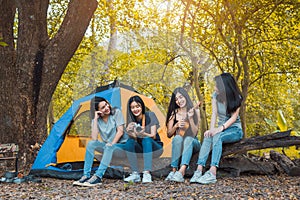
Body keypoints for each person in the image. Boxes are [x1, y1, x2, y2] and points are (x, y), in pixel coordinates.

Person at [190, 72, 244, 184]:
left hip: (234, 130)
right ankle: (199, 170)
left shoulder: (237, 97)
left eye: (217, 86)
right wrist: (211, 130)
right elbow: (214, 114)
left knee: (217, 136)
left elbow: (234, 118)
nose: (215, 88)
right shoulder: (215, 95)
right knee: (208, 137)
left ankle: (212, 173)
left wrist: (220, 129)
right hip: (220, 129)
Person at [73, 97, 130, 187]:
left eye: (106, 104)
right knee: (91, 144)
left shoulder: (116, 112)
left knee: (108, 146)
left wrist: (112, 143)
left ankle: (98, 176)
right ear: (97, 111)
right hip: (108, 147)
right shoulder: (97, 120)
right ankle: (86, 175)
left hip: (121, 147)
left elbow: (120, 131)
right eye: (103, 107)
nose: (107, 108)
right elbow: (94, 138)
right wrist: (95, 119)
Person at [123, 95, 163, 183]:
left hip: (155, 147)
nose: (135, 109)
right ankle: (135, 173)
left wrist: (142, 133)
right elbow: (134, 139)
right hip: (142, 148)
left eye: (137, 106)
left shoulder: (150, 115)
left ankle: (146, 173)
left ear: (142, 106)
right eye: (132, 107)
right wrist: (129, 131)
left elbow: (153, 136)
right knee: (129, 141)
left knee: (146, 139)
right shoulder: (132, 121)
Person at [165, 87, 201, 182]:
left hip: (193, 142)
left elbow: (195, 132)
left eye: (181, 97)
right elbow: (169, 134)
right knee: (177, 138)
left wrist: (191, 118)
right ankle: (173, 171)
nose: (179, 101)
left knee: (188, 139)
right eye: (176, 99)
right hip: (180, 145)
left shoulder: (195, 111)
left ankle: (182, 171)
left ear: (185, 96)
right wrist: (176, 125)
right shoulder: (174, 113)